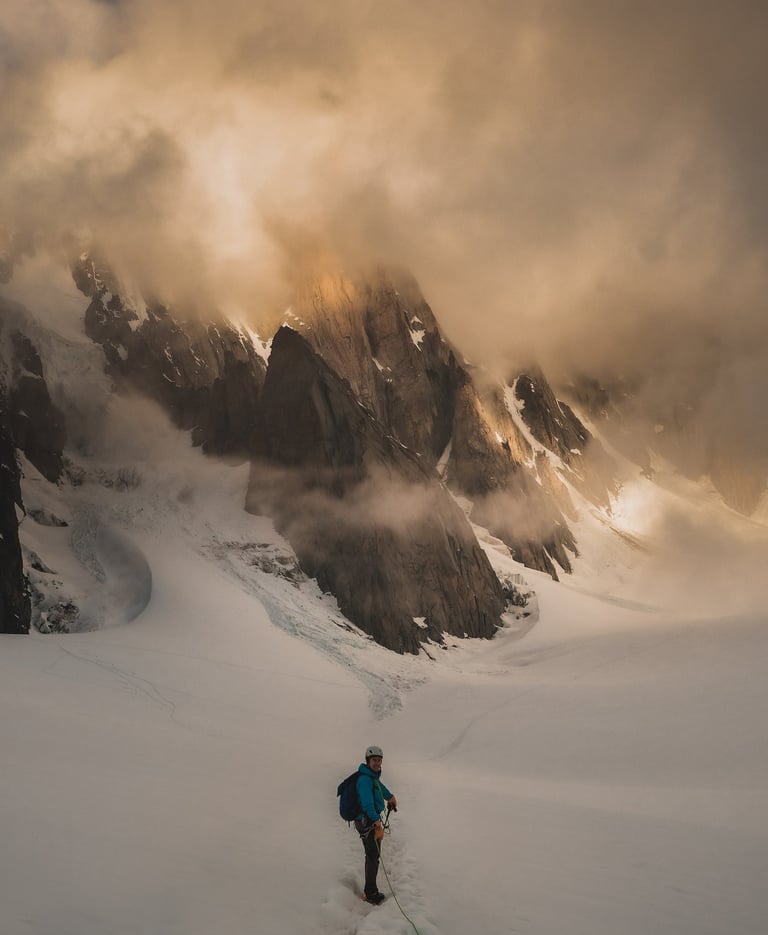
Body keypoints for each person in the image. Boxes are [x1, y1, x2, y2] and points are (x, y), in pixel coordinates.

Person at [354, 744, 398, 905]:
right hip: (367, 822)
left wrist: (390, 797)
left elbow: (380, 787)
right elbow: (367, 804)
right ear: (368, 761)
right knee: (373, 856)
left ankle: (370, 890)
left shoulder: (371, 777)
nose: (377, 763)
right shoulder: (365, 779)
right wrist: (377, 824)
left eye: (379, 760)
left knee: (373, 854)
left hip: (370, 821)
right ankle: (370, 892)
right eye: (374, 760)